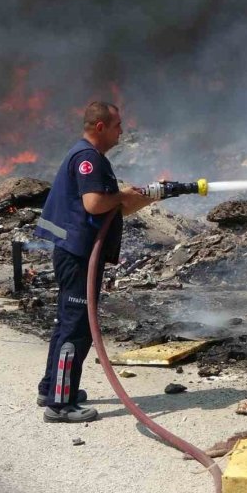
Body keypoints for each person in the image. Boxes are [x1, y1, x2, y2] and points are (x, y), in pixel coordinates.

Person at [33, 101, 154, 423]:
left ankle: (50, 388)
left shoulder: (87, 155)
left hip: (74, 252)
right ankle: (60, 404)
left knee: (66, 322)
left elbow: (111, 208)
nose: (122, 131)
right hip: (78, 256)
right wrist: (122, 194)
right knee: (77, 328)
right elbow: (95, 203)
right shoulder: (88, 159)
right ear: (100, 127)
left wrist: (141, 198)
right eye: (117, 126)